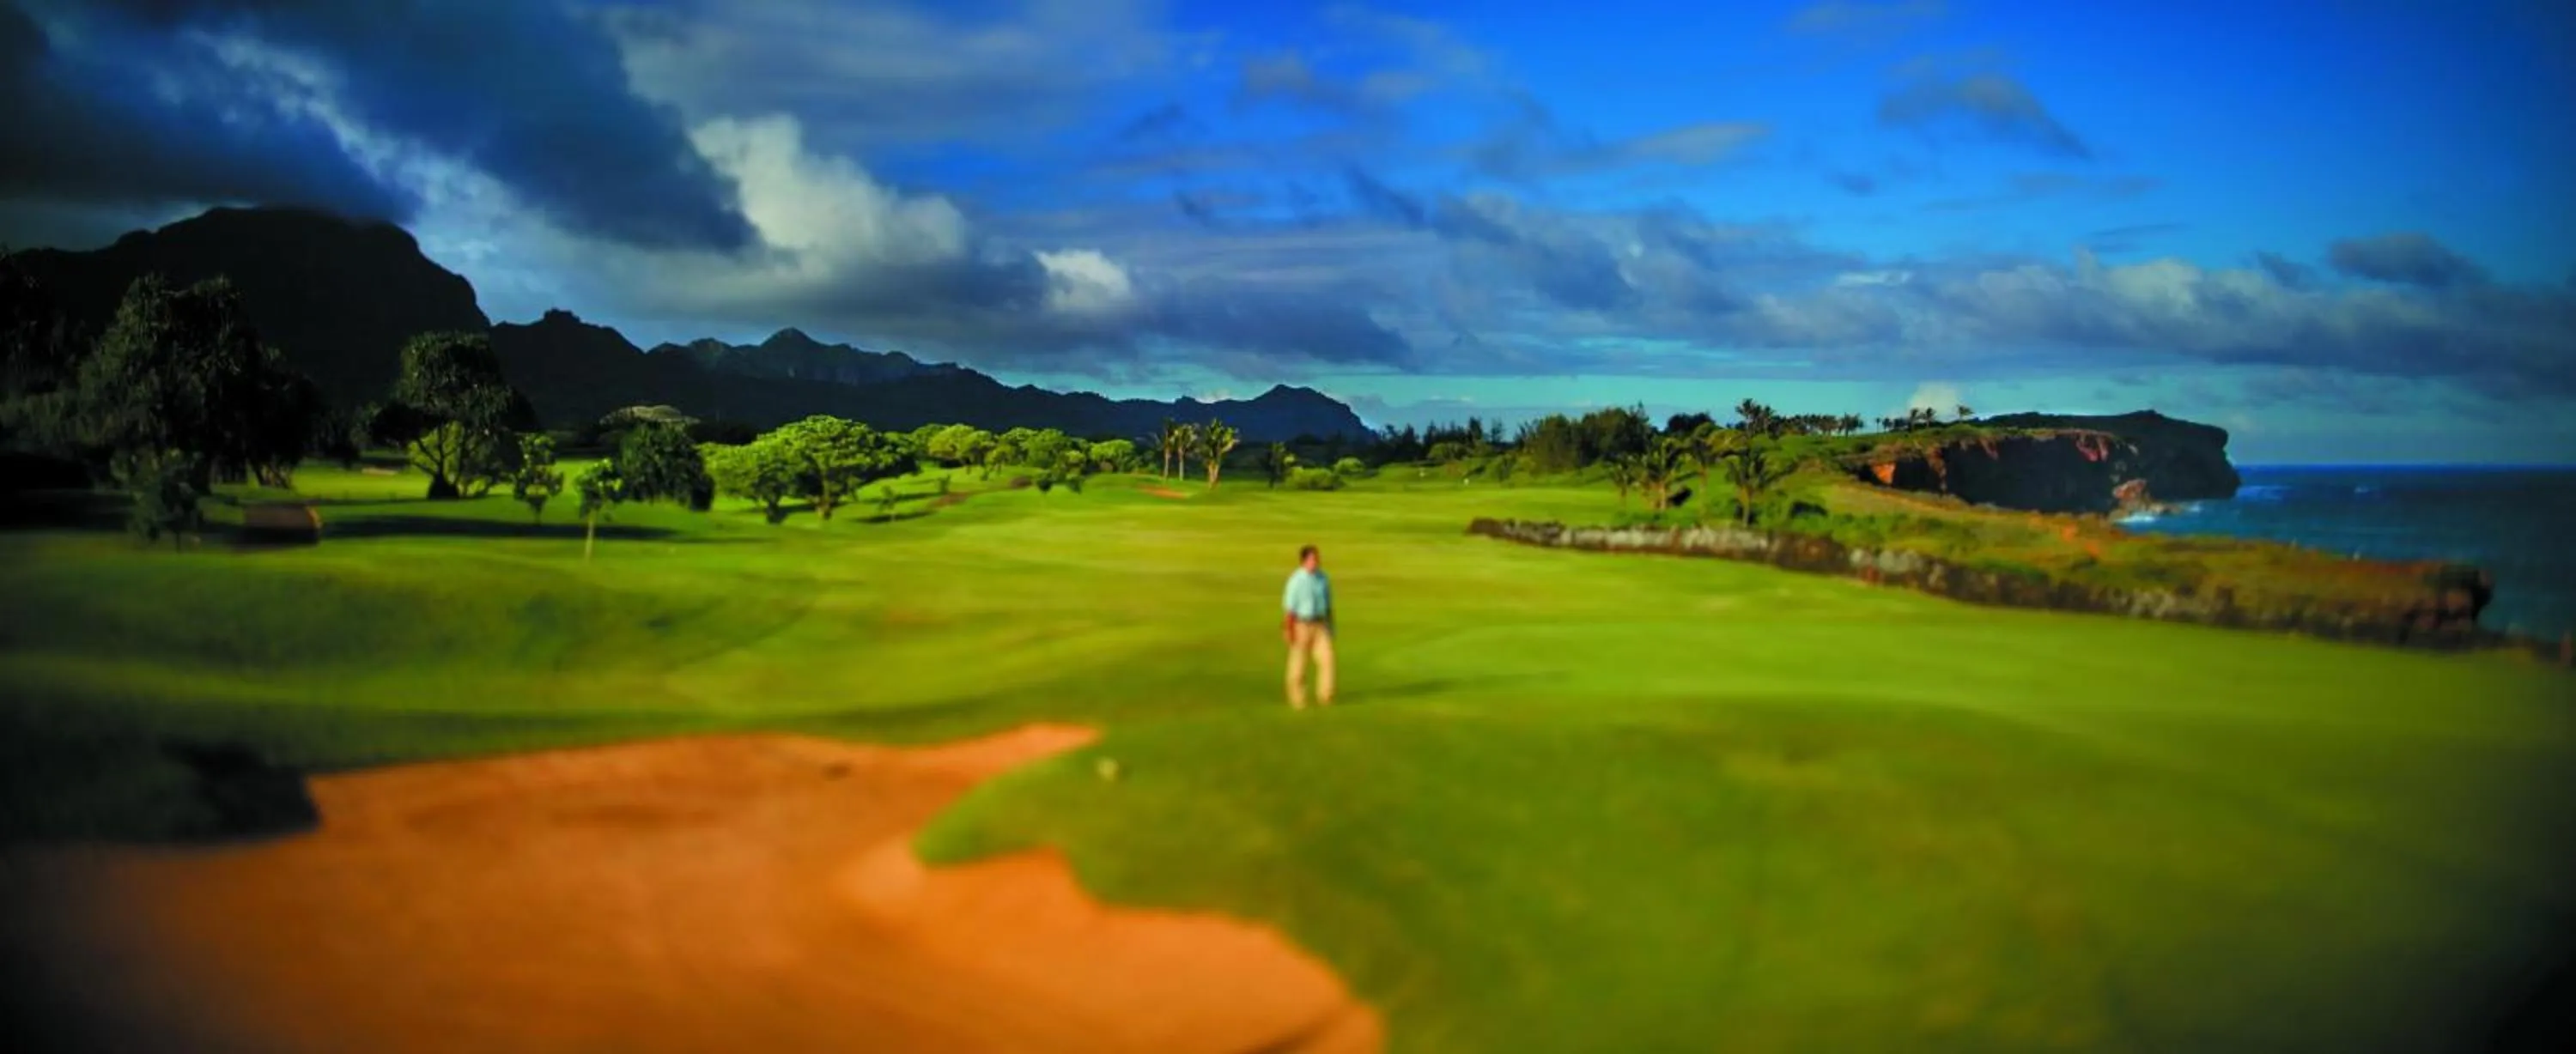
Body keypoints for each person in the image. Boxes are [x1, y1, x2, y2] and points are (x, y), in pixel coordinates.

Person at [1281, 543, 1334, 709]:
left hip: (1319, 625)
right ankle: (1298, 701)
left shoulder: (1323, 578)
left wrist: (1331, 626)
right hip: (1301, 625)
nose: (1315, 562)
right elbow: (1290, 609)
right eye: (1312, 559)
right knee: (1298, 665)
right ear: (1303, 561)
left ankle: (1326, 698)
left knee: (1328, 660)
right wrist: (1289, 630)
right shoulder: (1295, 580)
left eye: (1317, 558)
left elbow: (1328, 604)